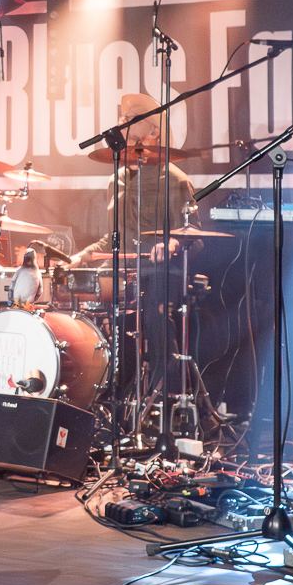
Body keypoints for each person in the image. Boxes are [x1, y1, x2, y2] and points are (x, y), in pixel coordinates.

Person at [69, 92, 196, 392]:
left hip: (161, 275)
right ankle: (109, 392)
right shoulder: (118, 180)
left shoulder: (175, 179)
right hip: (124, 275)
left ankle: (164, 395)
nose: (122, 123)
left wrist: (171, 244)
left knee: (153, 308)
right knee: (98, 312)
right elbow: (112, 238)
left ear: (154, 131)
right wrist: (81, 256)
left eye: (130, 119)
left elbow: (194, 234)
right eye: (122, 118)